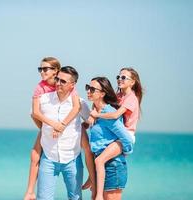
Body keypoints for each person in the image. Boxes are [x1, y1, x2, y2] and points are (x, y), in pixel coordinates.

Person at [24, 58, 95, 200]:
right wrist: (45, 128)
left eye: (63, 81)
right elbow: (34, 114)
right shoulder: (43, 99)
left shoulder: (80, 103)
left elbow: (92, 121)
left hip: (73, 160)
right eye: (57, 79)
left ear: (72, 85)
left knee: (75, 197)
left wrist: (82, 128)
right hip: (48, 159)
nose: (58, 83)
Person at [83, 68, 143, 200]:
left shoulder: (131, 98)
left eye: (124, 78)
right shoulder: (119, 95)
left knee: (99, 160)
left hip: (127, 135)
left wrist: (97, 115)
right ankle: (91, 178)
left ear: (132, 82)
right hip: (116, 142)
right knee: (97, 157)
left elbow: (115, 115)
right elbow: (102, 102)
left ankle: (98, 193)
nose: (119, 80)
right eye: (118, 77)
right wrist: (90, 118)